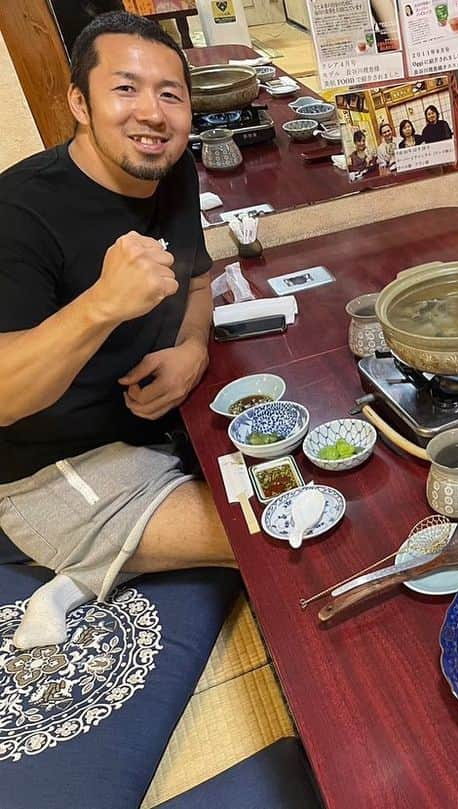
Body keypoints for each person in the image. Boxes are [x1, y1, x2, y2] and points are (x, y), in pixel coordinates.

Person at [0, 11, 235, 650]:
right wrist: (101, 303)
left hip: (163, 428)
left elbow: (196, 285)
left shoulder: (173, 170)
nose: (152, 114)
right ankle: (79, 563)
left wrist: (191, 347)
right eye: (125, 88)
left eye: (170, 94)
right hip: (54, 468)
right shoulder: (19, 211)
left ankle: (85, 576)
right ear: (80, 101)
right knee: (265, 533)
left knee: (308, 477)